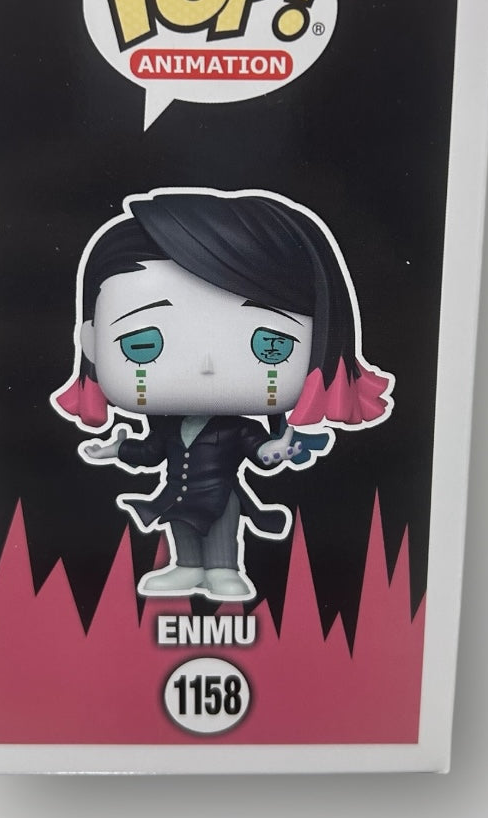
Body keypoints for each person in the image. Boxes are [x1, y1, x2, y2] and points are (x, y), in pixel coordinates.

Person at [52, 188, 393, 601]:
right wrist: (116, 450)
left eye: (271, 344)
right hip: (177, 496)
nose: (207, 365)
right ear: (91, 343)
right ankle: (187, 567)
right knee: (182, 530)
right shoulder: (165, 427)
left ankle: (222, 568)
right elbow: (150, 452)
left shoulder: (235, 429)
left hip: (220, 497)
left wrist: (277, 449)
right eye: (143, 344)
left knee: (220, 530)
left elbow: (258, 451)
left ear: (321, 340)